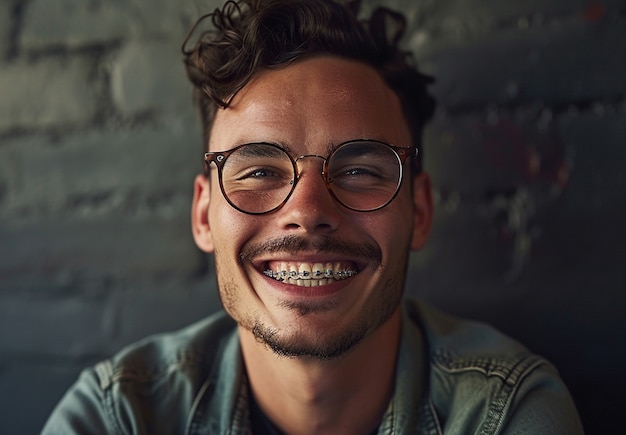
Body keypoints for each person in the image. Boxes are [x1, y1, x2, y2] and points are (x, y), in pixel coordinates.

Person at [43, 0, 584, 433]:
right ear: (204, 214)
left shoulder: (507, 413)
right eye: (257, 171)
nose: (306, 211)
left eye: (360, 171)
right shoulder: (119, 417)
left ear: (418, 212)